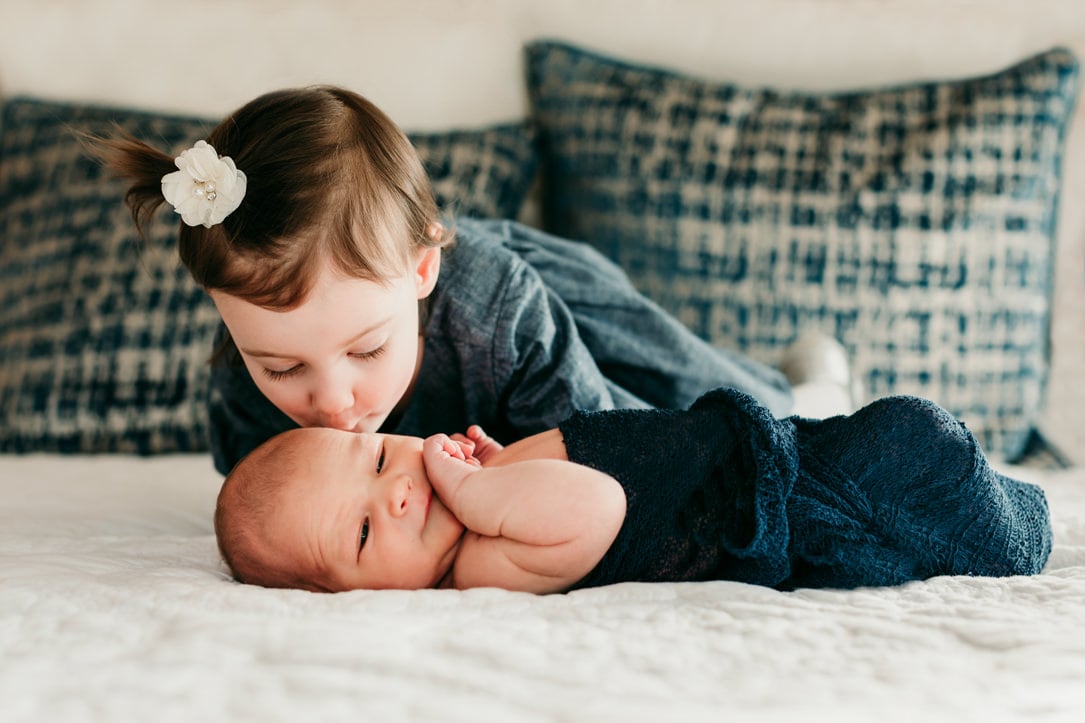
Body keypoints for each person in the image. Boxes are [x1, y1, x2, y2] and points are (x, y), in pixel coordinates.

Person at [92, 84, 810, 477]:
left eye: (366, 350)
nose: (330, 402)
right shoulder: (242, 389)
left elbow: (613, 456)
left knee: (705, 407)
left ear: (419, 271)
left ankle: (801, 385)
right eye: (279, 365)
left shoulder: (495, 313)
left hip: (542, 299)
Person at [214, 387, 1052, 594]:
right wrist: (471, 492)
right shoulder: (475, 568)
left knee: (907, 429)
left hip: (767, 447)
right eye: (363, 534)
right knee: (914, 455)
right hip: (793, 509)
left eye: (377, 462)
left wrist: (498, 462)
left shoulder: (484, 501)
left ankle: (1016, 504)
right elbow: (594, 507)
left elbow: (571, 471)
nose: (397, 492)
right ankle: (1014, 538)